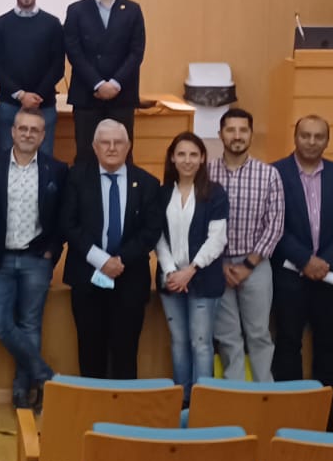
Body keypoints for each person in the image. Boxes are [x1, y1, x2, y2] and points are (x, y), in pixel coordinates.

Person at [59, 119, 163, 379]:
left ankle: (122, 414)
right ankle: (92, 413)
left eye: (118, 142)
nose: (112, 148)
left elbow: (151, 232)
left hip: (129, 278)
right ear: (94, 147)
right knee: (90, 352)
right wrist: (101, 260)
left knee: (125, 353)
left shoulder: (148, 183)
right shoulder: (76, 178)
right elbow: (68, 224)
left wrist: (119, 260)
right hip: (87, 277)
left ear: (128, 147)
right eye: (105, 142)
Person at [0, 107, 69, 412]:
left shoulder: (57, 170)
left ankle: (23, 390)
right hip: (1, 259)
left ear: (43, 135)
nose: (28, 134)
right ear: (12, 131)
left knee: (31, 324)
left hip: (36, 258)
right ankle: (44, 375)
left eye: (35, 130)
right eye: (23, 128)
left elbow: (63, 216)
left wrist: (52, 251)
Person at [271, 116, 333, 389]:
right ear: (295, 137)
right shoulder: (275, 173)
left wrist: (326, 263)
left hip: (330, 277)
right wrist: (305, 260)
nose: (311, 142)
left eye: (318, 136)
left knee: (329, 345)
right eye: (305, 135)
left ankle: (328, 411)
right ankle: (290, 408)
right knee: (287, 343)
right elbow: (273, 223)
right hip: (289, 275)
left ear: (327, 141)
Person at [207, 108, 284, 382]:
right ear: (220, 135)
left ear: (251, 135)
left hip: (256, 265)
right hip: (216, 266)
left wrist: (249, 264)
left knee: (259, 334)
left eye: (243, 130)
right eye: (231, 130)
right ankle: (235, 396)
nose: (237, 136)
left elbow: (274, 225)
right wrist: (221, 264)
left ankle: (265, 395)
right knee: (227, 337)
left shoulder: (269, 175)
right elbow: (199, 224)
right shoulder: (206, 172)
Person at [155, 132, 230, 405]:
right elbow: (157, 236)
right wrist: (170, 271)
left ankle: (202, 402)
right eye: (182, 154)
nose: (187, 160)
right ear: (172, 158)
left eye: (193, 155)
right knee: (178, 343)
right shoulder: (161, 193)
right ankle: (182, 399)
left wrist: (191, 270)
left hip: (203, 279)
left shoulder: (214, 192)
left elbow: (217, 237)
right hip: (171, 279)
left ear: (202, 159)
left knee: (201, 343)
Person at [63, 0, 146, 166]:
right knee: (86, 155)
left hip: (122, 95)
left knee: (122, 155)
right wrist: (98, 84)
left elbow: (137, 52)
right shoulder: (76, 10)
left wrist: (115, 84)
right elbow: (73, 51)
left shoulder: (132, 10)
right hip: (87, 96)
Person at [0, 0, 64, 157]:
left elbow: (58, 67)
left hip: (44, 104)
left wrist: (36, 95)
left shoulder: (52, 23)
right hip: (9, 104)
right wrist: (21, 95)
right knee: (7, 159)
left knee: (44, 159)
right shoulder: (0, 24)